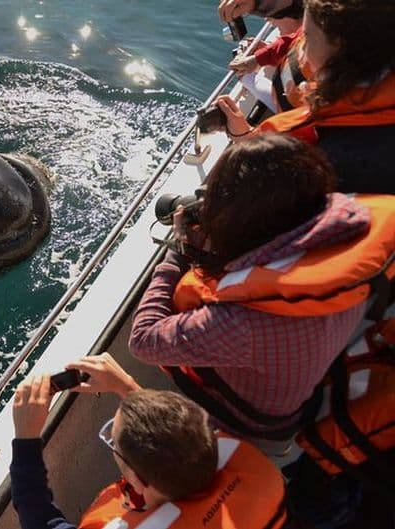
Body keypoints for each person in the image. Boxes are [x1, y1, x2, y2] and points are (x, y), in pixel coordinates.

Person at [128, 133, 395, 446]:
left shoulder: (240, 324)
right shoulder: (350, 241)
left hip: (248, 427)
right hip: (304, 383)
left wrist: (176, 251)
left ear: (241, 221)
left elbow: (142, 340)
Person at [9, 357, 289, 529]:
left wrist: (25, 438)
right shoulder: (246, 464)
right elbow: (176, 430)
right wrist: (128, 388)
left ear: (140, 481)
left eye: (113, 440)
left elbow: (42, 521)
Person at [217, 0, 395, 194]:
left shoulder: (337, 161)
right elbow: (294, 39)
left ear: (340, 48)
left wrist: (244, 136)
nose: (300, 50)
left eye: (308, 38)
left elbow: (277, 184)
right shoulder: (356, 75)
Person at [229, 1, 309, 112]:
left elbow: (289, 106)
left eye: (274, 14)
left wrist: (248, 79)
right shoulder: (312, 31)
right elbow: (295, 41)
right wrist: (261, 56)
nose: (266, 19)